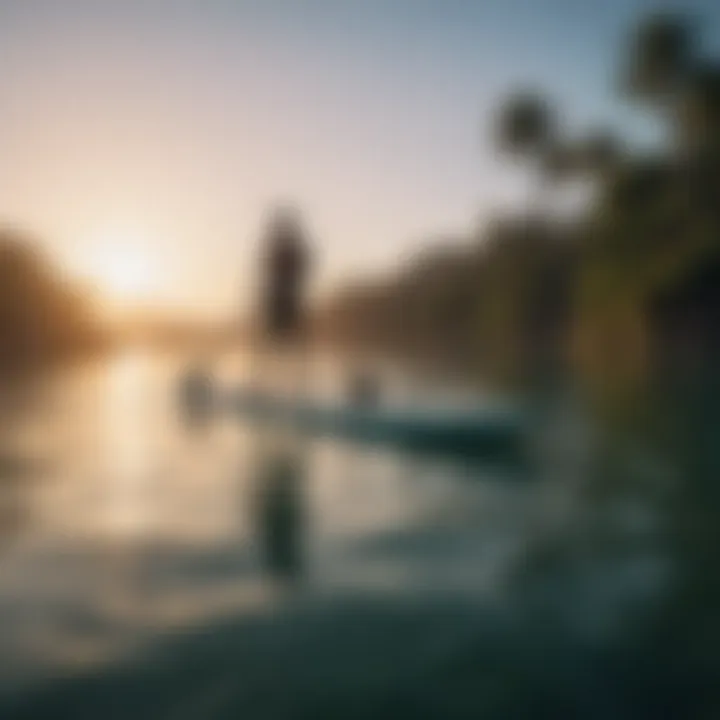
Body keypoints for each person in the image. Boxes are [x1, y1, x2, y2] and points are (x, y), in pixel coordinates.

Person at [259, 205, 311, 347]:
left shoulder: (293, 248)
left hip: (288, 296)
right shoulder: (278, 248)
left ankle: (284, 341)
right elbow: (267, 267)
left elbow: (302, 266)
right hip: (279, 296)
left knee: (290, 328)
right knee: (275, 330)